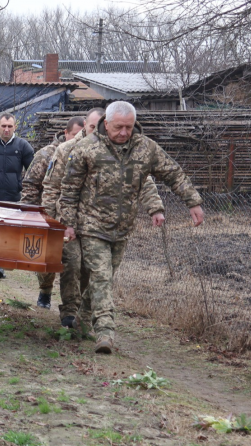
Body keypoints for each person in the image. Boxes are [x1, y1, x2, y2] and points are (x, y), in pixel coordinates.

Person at [59, 101, 204, 354]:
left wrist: (193, 201)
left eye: (128, 127)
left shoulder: (145, 149)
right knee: (101, 277)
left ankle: (80, 323)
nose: (124, 133)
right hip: (91, 226)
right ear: (106, 124)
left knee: (104, 279)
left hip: (123, 228)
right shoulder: (85, 149)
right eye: (118, 127)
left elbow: (173, 173)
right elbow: (68, 191)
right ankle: (105, 332)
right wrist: (69, 224)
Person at [43, 108, 163, 334]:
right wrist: (52, 221)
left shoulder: (122, 153)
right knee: (72, 262)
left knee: (94, 271)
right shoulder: (67, 150)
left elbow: (143, 182)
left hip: (97, 223)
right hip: (68, 219)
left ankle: (83, 315)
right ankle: (70, 310)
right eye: (91, 127)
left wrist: (154, 207)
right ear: (87, 126)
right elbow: (51, 187)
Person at [21, 116, 83, 309]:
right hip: (47, 214)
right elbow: (31, 185)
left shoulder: (88, 153)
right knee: (47, 259)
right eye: (75, 135)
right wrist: (31, 214)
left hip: (74, 217)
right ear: (66, 133)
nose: (79, 139)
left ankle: (73, 305)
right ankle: (45, 290)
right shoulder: (47, 154)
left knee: (74, 263)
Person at [0, 113, 34, 279]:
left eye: (10, 126)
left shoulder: (23, 146)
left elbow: (33, 172)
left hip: (13, 197)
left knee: (7, 232)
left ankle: (0, 264)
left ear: (15, 127)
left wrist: (27, 191)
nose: (6, 129)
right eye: (3, 126)